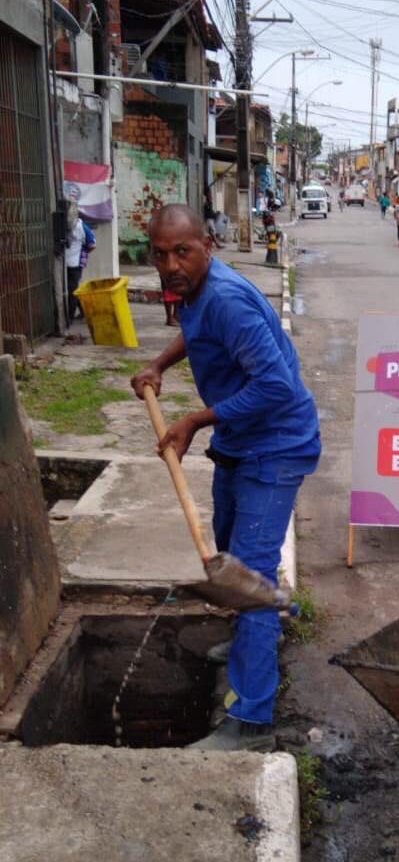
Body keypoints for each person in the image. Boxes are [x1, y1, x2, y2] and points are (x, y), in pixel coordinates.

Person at [130, 205, 321, 750]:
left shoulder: (227, 299)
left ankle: (252, 719)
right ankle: (254, 632)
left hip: (276, 445)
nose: (171, 264)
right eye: (161, 254)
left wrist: (194, 420)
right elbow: (199, 333)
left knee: (248, 574)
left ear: (207, 245)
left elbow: (278, 387)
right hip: (241, 441)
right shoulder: (196, 291)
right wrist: (160, 366)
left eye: (182, 252)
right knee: (232, 556)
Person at [64, 203, 88, 322]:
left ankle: (70, 318)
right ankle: (83, 311)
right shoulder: (62, 226)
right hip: (63, 263)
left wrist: (82, 253)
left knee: (72, 290)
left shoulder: (81, 226)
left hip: (75, 264)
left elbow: (92, 243)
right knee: (73, 288)